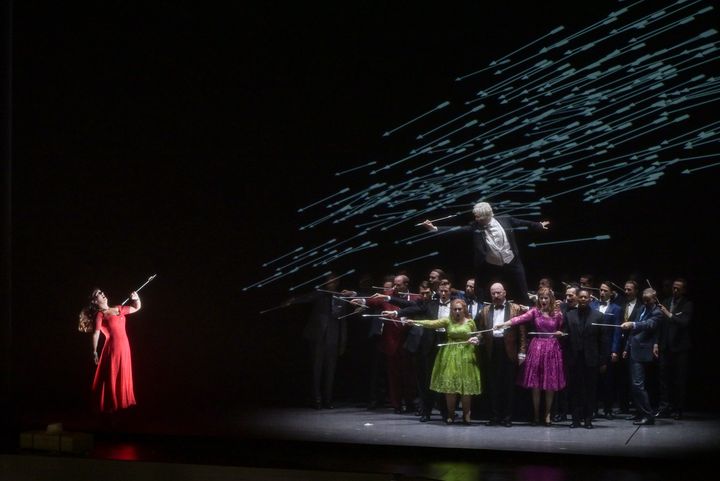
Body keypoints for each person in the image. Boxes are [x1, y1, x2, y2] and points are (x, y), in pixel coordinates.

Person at [420, 202, 549, 306]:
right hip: (491, 265)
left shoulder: (506, 219)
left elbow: (522, 223)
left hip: (512, 261)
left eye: (479, 218)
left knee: (521, 289)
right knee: (481, 290)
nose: (476, 219)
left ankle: (527, 310)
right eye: (475, 217)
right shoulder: (476, 226)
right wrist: (435, 229)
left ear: (488, 216)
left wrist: (538, 225)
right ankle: (481, 310)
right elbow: (457, 230)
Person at [494, 287, 565, 426]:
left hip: (552, 349)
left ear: (551, 299)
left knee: (550, 385)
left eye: (546, 298)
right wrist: (503, 324)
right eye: (541, 298)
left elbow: (563, 329)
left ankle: (548, 414)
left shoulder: (558, 314)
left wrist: (559, 333)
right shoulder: (535, 311)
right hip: (537, 347)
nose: (543, 300)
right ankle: (536, 415)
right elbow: (518, 319)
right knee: (536, 384)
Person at [284, 273, 355, 409]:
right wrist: (292, 300)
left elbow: (343, 322)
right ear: (326, 282)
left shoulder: (341, 298)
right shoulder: (320, 294)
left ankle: (328, 400)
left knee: (330, 370)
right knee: (316, 369)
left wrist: (343, 342)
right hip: (318, 337)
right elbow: (305, 298)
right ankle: (316, 399)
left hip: (333, 339)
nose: (332, 283)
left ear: (338, 283)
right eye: (329, 281)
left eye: (334, 281)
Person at [407, 299, 482, 424]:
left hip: (467, 356)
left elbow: (478, 334)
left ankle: (466, 415)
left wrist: (476, 339)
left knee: (466, 388)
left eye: (459, 309)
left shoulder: (470, 322)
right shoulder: (447, 321)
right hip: (450, 355)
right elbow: (431, 323)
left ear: (464, 309)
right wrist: (415, 321)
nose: (457, 311)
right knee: (450, 388)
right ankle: (451, 414)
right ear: (452, 310)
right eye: (455, 309)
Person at [78, 288, 141, 413]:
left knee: (123, 372)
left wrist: (137, 298)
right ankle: (112, 405)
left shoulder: (119, 308)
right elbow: (96, 333)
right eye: (98, 294)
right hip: (113, 348)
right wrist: (94, 351)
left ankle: (123, 406)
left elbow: (136, 308)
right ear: (95, 301)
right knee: (113, 374)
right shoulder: (100, 315)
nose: (102, 293)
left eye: (102, 292)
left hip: (124, 347)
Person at [477, 282, 528, 427]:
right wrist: (477, 338)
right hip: (492, 349)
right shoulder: (485, 310)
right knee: (493, 386)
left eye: (498, 292)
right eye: (493, 293)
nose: (496, 295)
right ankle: (494, 416)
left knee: (508, 386)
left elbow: (522, 332)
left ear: (504, 293)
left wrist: (522, 351)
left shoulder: (516, 308)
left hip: (509, 350)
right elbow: (482, 331)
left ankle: (507, 417)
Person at [565, 288, 608, 429]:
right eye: (581, 297)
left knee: (590, 390)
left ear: (590, 299)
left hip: (591, 359)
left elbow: (603, 341)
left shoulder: (599, 316)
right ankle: (575, 419)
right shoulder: (569, 315)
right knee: (575, 389)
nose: (583, 299)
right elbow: (565, 338)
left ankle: (588, 419)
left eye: (586, 297)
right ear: (577, 298)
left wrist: (603, 361)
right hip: (574, 358)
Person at [621, 288, 662, 426]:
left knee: (638, 384)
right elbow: (633, 332)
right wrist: (627, 347)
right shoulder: (641, 309)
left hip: (643, 352)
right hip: (633, 349)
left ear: (655, 299)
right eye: (644, 299)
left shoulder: (657, 312)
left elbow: (648, 325)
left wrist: (632, 323)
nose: (645, 302)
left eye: (648, 300)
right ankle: (639, 412)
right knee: (634, 385)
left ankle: (648, 415)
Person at [655, 278, 693, 420]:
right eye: (673, 287)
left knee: (679, 380)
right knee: (664, 379)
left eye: (678, 288)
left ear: (683, 290)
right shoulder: (665, 301)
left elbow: (684, 322)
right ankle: (664, 407)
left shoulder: (687, 304)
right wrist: (656, 344)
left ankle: (678, 409)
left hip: (680, 349)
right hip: (665, 347)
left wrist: (669, 314)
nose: (675, 290)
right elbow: (660, 325)